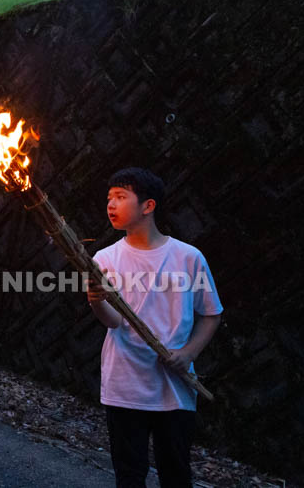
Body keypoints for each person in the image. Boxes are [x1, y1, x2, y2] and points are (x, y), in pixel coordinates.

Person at [86, 168, 222, 488]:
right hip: (125, 382)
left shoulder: (188, 258)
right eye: (109, 198)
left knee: (176, 472)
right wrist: (95, 300)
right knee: (129, 474)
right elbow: (115, 322)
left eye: (121, 197)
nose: (111, 205)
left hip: (174, 385)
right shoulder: (104, 258)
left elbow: (211, 314)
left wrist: (187, 353)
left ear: (148, 206)